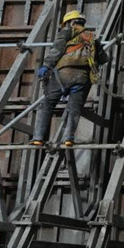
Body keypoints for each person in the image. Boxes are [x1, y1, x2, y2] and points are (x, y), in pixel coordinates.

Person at [31, 11, 107, 147]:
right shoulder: (92, 38)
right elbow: (103, 59)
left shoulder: (66, 32)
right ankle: (69, 138)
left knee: (48, 104)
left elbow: (57, 50)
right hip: (83, 77)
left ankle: (38, 137)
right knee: (74, 108)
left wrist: (47, 65)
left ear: (70, 22)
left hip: (64, 74)